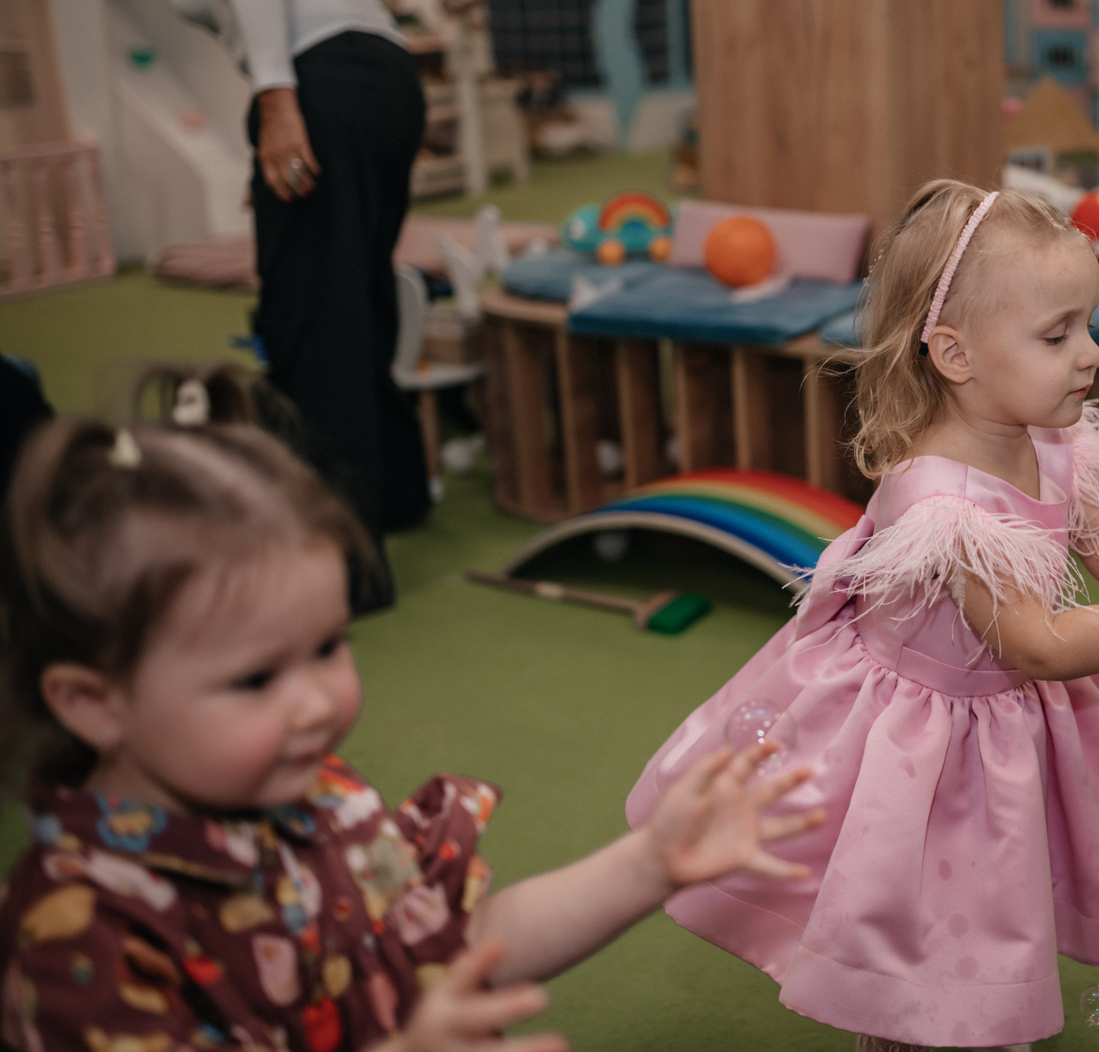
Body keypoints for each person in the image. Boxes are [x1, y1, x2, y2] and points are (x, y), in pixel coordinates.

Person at [624, 182, 1099, 1050]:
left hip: (997, 725)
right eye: (1057, 335)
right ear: (955, 353)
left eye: (1088, 324)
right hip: (921, 740)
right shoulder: (943, 505)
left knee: (984, 902)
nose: (1092, 354)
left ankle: (971, 1016)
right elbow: (1041, 643)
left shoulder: (1053, 443)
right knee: (914, 912)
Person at [0, 418, 826, 1049]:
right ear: (94, 702)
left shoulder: (321, 795)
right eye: (255, 679)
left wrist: (648, 863)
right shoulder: (81, 936)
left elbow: (462, 947)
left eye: (328, 646)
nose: (316, 703)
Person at [31, 0, 433, 600]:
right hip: (382, 84)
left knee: (310, 318)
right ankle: (397, 495)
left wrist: (279, 108)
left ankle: (347, 564)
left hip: (320, 86)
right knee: (356, 296)